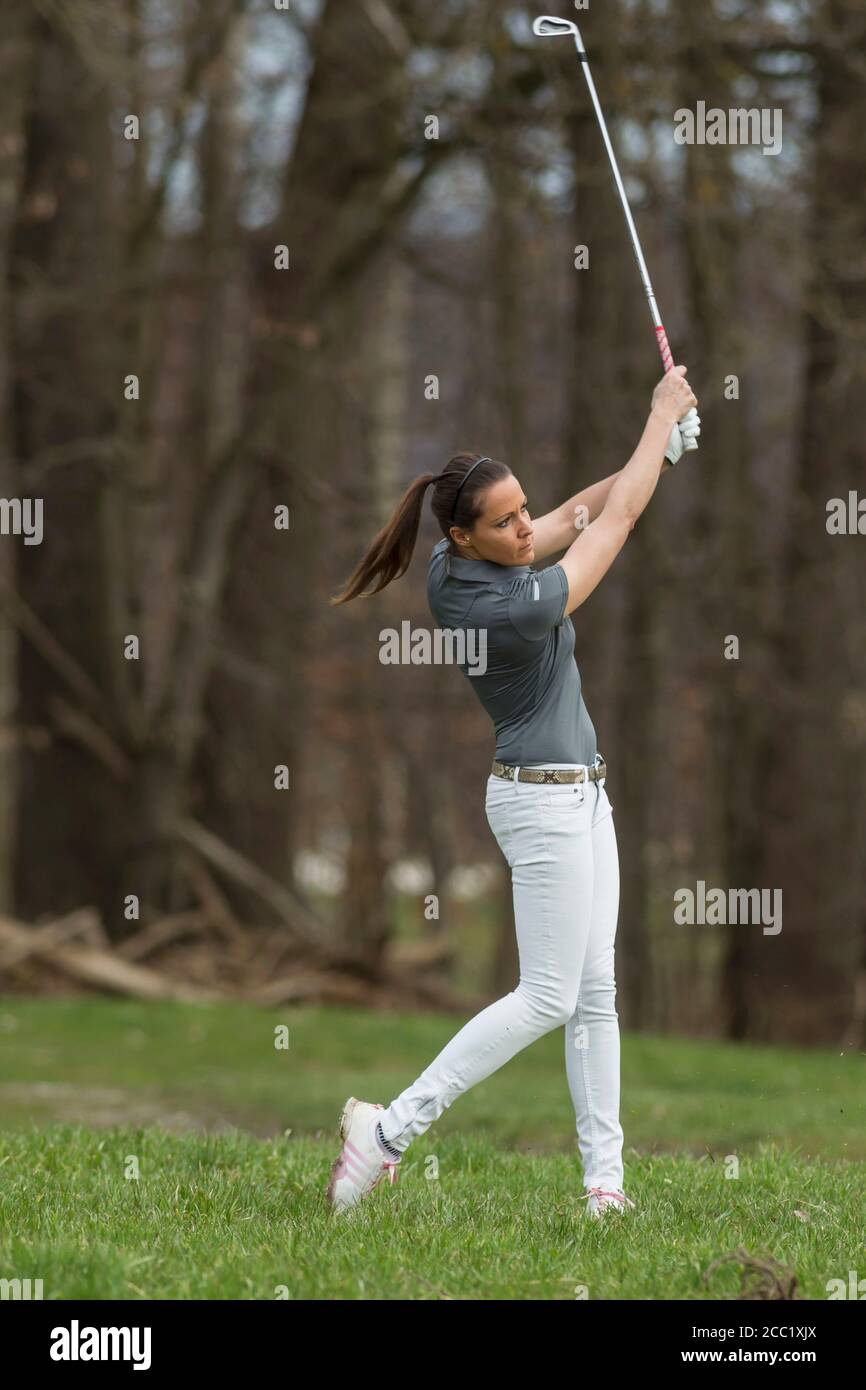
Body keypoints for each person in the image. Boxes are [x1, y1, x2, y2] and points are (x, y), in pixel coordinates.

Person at [325, 366, 699, 1217]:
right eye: (507, 521)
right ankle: (385, 1135)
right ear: (463, 539)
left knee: (595, 995)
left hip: (582, 796)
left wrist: (659, 451)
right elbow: (616, 522)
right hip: (542, 805)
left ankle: (606, 1187)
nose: (530, 527)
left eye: (523, 508)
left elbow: (581, 511)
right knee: (548, 997)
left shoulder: (468, 568)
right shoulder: (513, 610)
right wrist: (659, 415)